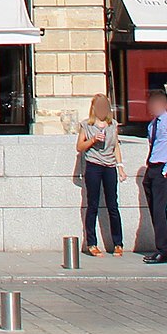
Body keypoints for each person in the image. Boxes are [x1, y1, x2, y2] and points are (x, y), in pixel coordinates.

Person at [75, 92, 124, 256]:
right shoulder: (86, 125)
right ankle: (91, 243)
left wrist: (120, 166)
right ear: (94, 108)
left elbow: (116, 146)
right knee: (93, 205)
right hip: (93, 166)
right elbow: (80, 147)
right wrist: (93, 140)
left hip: (109, 166)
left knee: (113, 205)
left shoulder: (113, 125)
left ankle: (118, 243)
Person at [141, 86, 167, 264]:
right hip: (152, 168)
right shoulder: (152, 124)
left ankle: (164, 251)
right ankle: (160, 247)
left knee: (159, 211)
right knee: (154, 210)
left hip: (163, 169)